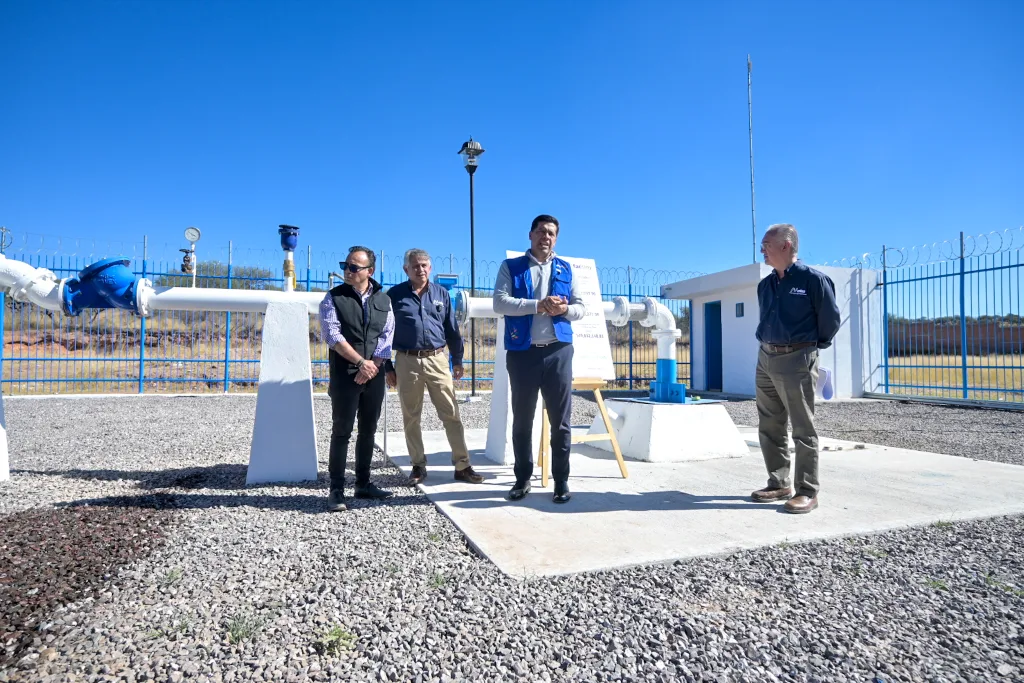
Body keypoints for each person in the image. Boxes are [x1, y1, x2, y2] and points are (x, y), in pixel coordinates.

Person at [492, 214, 586, 504]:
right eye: (542, 231)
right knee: (522, 420)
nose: (546, 237)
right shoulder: (511, 267)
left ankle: (561, 481)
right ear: (530, 235)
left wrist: (564, 310)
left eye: (551, 233)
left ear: (556, 239)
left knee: (561, 422)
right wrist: (538, 305)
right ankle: (522, 479)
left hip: (558, 352)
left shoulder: (565, 269)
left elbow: (581, 308)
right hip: (523, 353)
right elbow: (499, 302)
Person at [752, 224, 841, 514]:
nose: (762, 250)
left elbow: (830, 321)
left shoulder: (813, 280)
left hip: (798, 358)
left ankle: (807, 491)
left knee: (803, 428)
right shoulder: (765, 285)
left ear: (786, 246)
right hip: (766, 357)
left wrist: (809, 350)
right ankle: (779, 483)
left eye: (767, 244)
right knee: (770, 424)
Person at [385, 248, 485, 486]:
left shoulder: (441, 294)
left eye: (424, 265)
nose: (420, 269)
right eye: (415, 265)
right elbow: (384, 333)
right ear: (406, 269)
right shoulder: (394, 295)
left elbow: (452, 329)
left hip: (438, 359)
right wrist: (387, 367)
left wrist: (458, 360)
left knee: (451, 413)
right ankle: (418, 465)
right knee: (411, 416)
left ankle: (462, 465)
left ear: (430, 268)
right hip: (407, 361)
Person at [319, 246, 395, 512]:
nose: (347, 271)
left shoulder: (384, 300)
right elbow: (332, 335)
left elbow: (387, 336)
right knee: (342, 431)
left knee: (368, 430)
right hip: (345, 375)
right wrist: (361, 363)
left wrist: (374, 366)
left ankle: (363, 484)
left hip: (374, 374)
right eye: (345, 266)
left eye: (353, 267)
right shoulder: (333, 297)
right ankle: (336, 490)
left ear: (369, 271)